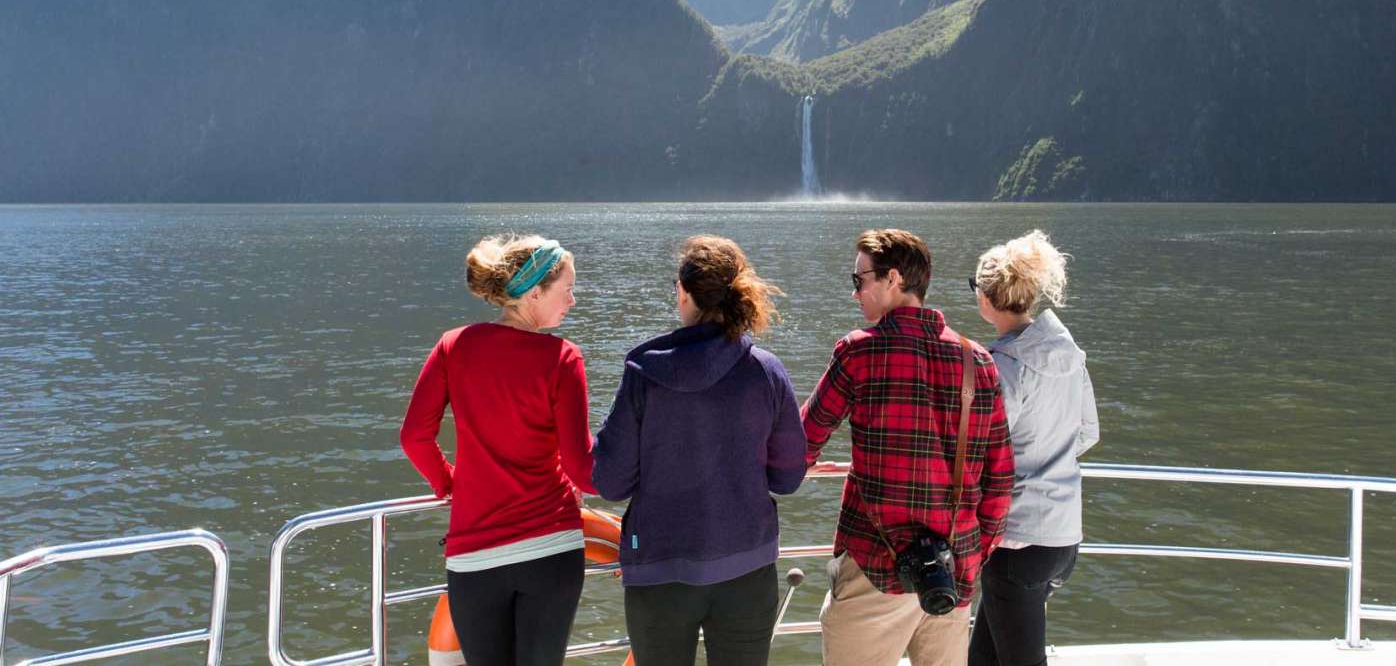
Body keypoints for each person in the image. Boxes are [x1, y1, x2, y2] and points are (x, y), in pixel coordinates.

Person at [801, 228, 1014, 666]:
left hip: (874, 567)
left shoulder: (859, 353)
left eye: (859, 280)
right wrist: (974, 552)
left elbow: (802, 442)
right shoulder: (978, 361)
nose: (855, 292)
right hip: (950, 570)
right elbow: (1000, 476)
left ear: (892, 279)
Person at [592, 235, 808, 666]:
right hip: (747, 567)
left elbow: (611, 481)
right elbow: (788, 476)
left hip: (659, 571)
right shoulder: (766, 372)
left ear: (684, 293)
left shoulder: (643, 371)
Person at [400, 235, 595, 666]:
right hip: (551, 549)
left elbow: (414, 437)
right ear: (535, 292)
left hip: (475, 554)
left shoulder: (454, 346)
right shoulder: (562, 358)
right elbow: (583, 471)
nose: (573, 301)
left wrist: (447, 481)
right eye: (567, 291)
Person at [968, 230, 1099, 666]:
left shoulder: (1004, 365)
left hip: (1017, 541)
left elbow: (985, 451)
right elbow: (1087, 432)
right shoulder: (1068, 353)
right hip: (1063, 537)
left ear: (988, 297)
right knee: (983, 658)